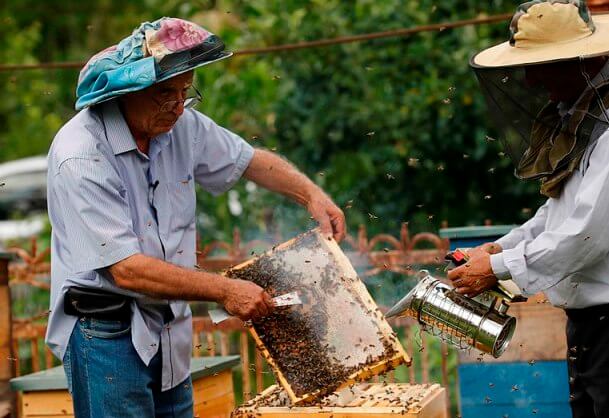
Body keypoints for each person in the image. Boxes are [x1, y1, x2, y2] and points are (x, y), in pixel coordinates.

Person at [45, 17, 346, 417]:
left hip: (168, 329)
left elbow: (248, 161)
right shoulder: (81, 155)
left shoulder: (181, 125)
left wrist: (310, 194)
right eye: (165, 93)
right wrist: (225, 290)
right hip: (105, 334)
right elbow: (126, 270)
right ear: (126, 92)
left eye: (186, 92)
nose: (177, 105)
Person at [447, 1, 609, 416]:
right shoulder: (585, 119)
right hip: (590, 326)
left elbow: (586, 234)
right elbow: (559, 214)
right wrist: (500, 248)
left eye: (542, 65)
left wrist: (499, 268)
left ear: (583, 61)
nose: (530, 78)